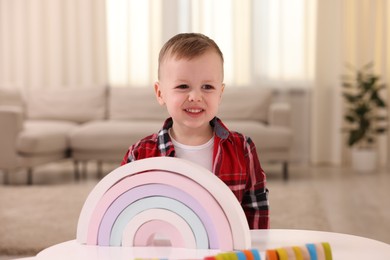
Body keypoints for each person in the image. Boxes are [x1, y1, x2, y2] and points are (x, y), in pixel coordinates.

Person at [121, 33, 269, 229]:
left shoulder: (243, 149)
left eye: (207, 87)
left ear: (220, 93)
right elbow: (122, 213)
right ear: (160, 93)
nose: (195, 96)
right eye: (183, 86)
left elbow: (256, 210)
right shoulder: (139, 155)